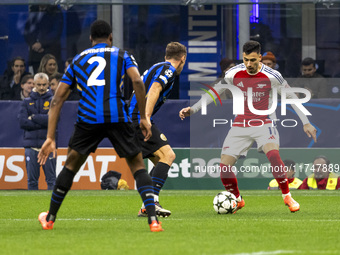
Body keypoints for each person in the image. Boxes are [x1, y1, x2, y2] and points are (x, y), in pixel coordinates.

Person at [37, 20, 163, 232]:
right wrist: (143, 117)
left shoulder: (77, 60)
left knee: (70, 165)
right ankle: (153, 221)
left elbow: (57, 100)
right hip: (118, 117)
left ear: (90, 39)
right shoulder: (122, 55)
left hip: (89, 119)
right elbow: (138, 82)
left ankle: (49, 218)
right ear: (111, 37)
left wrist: (50, 137)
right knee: (138, 166)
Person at [179, 40, 317, 213]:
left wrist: (306, 122)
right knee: (224, 168)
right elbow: (215, 92)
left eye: (253, 60)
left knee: (274, 155)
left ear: (260, 57)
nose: (249, 64)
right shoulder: (233, 73)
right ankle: (237, 199)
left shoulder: (272, 76)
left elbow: (292, 98)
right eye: (246, 60)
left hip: (263, 123)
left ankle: (287, 196)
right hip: (239, 125)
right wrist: (194, 109)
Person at [129, 42, 187, 218]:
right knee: (168, 155)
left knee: (161, 160)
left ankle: (148, 204)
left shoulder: (157, 66)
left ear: (166, 55)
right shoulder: (168, 69)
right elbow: (155, 88)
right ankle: (150, 203)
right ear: (183, 59)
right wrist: (145, 117)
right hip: (138, 118)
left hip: (131, 118)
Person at [18, 73, 56, 190]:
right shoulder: (26, 101)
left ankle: (52, 207)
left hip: (48, 146)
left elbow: (54, 120)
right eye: (39, 84)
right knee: (32, 181)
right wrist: (44, 120)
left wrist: (33, 117)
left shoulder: (53, 101)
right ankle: (32, 207)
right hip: (31, 146)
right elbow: (23, 123)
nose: (41, 87)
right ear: (34, 84)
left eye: (44, 84)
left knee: (51, 181)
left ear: (48, 84)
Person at [24, 5, 63, 73]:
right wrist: (33, 43)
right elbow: (27, 31)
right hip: (35, 53)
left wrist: (41, 44)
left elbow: (56, 32)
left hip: (50, 50)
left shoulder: (55, 11)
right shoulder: (33, 11)